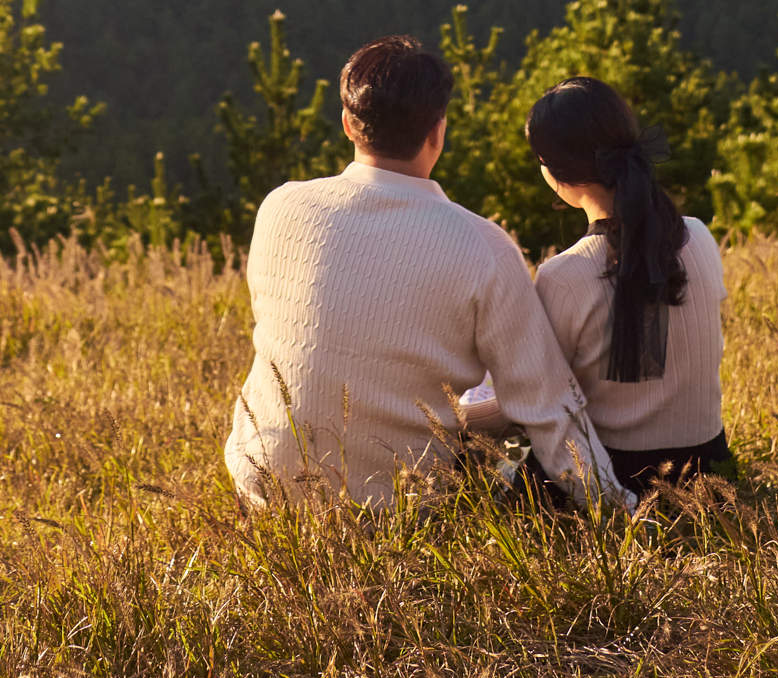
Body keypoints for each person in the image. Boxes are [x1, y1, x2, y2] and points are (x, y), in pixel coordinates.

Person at [223, 37, 634, 512]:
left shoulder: (280, 207)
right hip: (398, 505)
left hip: (264, 489)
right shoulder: (483, 245)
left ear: (347, 124)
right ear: (438, 132)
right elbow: (545, 406)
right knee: (507, 444)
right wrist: (619, 507)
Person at [515, 76, 733, 497]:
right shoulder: (699, 236)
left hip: (619, 473)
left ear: (556, 172)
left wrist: (463, 413)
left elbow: (541, 397)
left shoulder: (564, 275)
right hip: (710, 466)